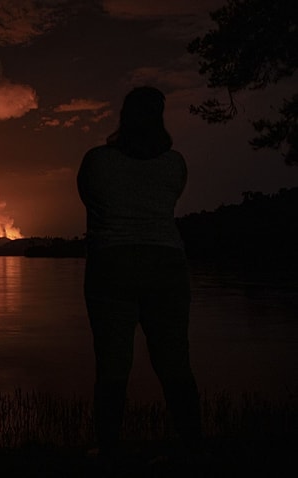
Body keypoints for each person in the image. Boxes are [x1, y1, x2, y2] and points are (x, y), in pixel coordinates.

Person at [77, 86, 203, 460]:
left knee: (112, 362)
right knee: (175, 359)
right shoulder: (174, 163)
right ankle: (194, 446)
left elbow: (91, 201)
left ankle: (109, 449)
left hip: (111, 264)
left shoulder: (97, 161)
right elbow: (169, 203)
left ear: (124, 117)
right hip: (166, 264)